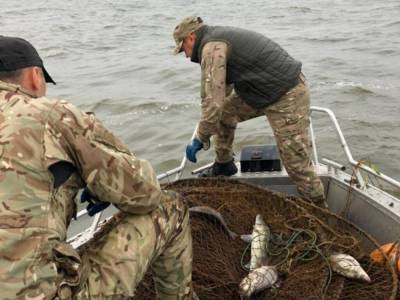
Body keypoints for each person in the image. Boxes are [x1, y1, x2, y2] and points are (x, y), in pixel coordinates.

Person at [0, 36, 195, 299]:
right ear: (35, 76)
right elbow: (145, 193)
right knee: (170, 208)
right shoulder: (49, 114)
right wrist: (98, 181)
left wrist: (74, 178)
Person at [172, 16, 326, 206]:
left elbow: (213, 103)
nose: (186, 56)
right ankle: (224, 164)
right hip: (260, 90)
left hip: (287, 94)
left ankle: (320, 210)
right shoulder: (214, 40)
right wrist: (206, 126)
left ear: (190, 38)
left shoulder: (211, 48)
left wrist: (200, 138)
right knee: (226, 114)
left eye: (183, 49)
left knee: (296, 164)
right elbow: (221, 93)